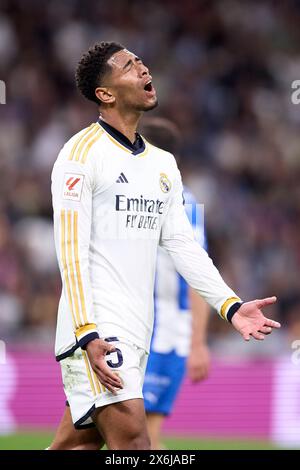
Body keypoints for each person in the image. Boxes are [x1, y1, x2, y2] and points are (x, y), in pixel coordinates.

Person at [50, 41, 280, 450]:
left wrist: (229, 304)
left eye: (140, 61)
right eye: (127, 65)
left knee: (77, 446)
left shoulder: (162, 165)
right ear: (105, 94)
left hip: (141, 330)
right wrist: (87, 331)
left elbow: (183, 245)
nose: (142, 68)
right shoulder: (79, 154)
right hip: (98, 329)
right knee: (137, 445)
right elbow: (70, 248)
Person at [49, 117, 211, 450]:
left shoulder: (186, 204)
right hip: (117, 327)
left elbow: (195, 273)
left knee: (137, 438)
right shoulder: (116, 188)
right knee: (87, 440)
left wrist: (197, 342)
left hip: (164, 335)